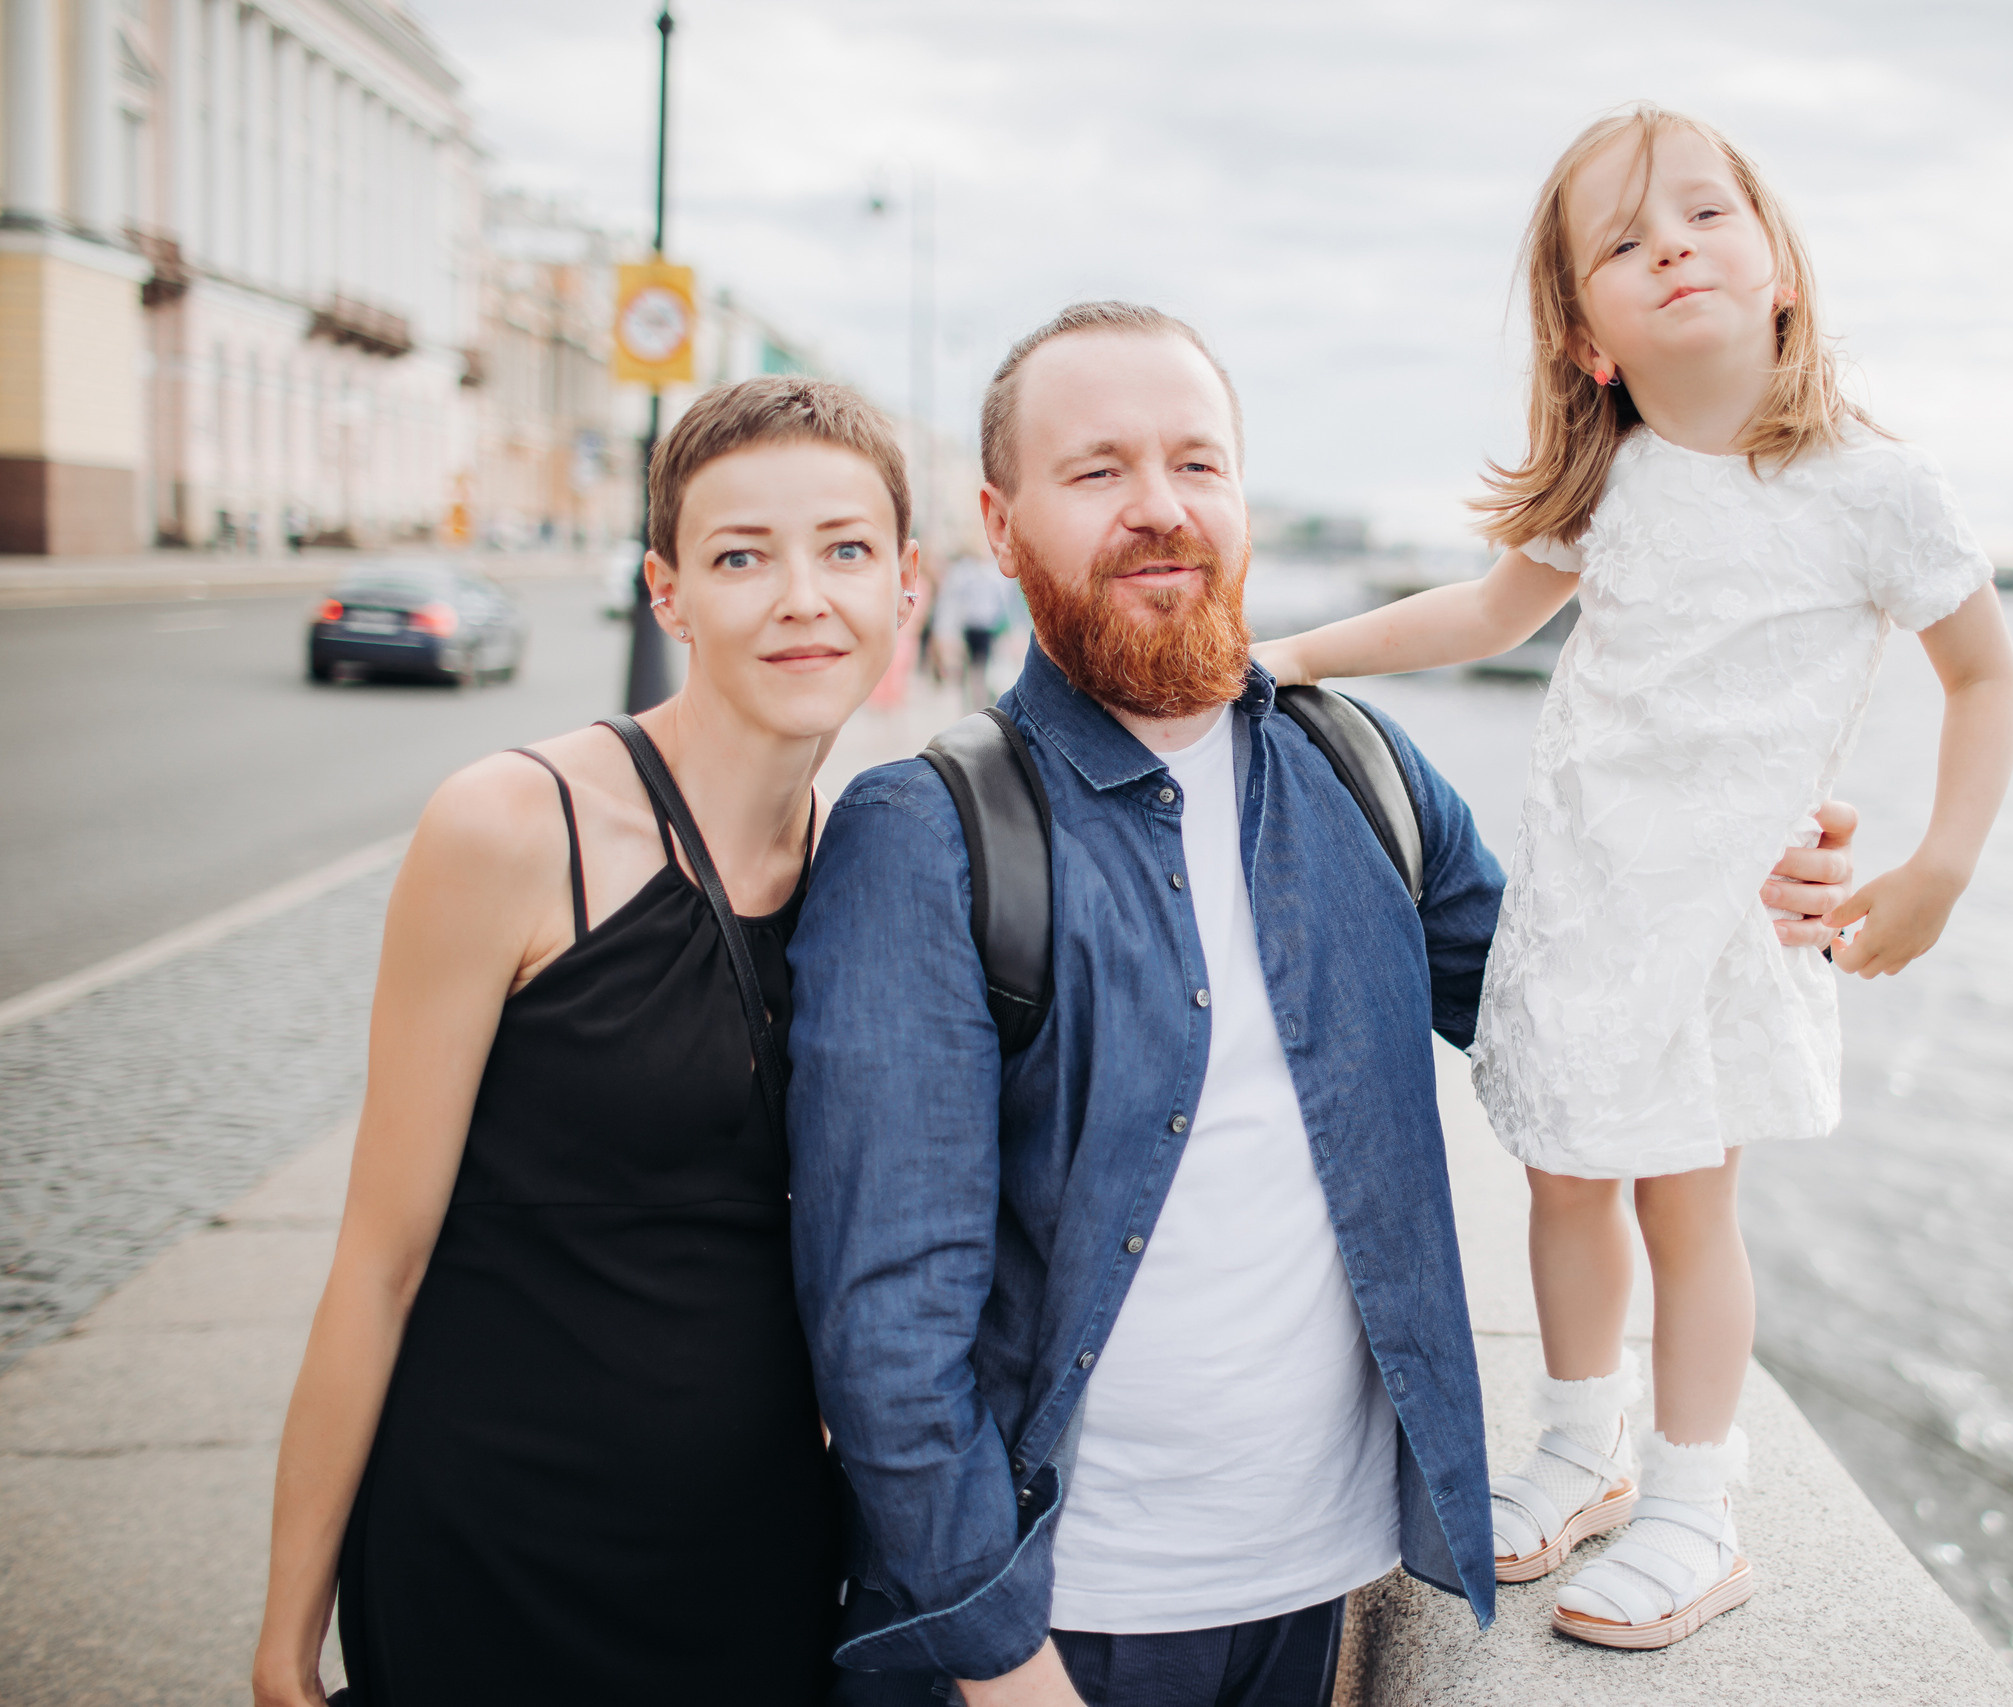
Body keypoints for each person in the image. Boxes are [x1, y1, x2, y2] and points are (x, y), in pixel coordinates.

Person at [786, 301, 1858, 1707]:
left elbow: (1581, 1011)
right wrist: (996, 1652)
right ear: (1003, 520)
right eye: (1098, 470)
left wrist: (1764, 893)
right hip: (1058, 1620)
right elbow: (883, 1317)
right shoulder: (926, 832)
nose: (1161, 507)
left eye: (1198, 463)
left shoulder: (1356, 766)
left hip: (1315, 1581)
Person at [1253, 106, 2013, 1650]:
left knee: (1689, 1198)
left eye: (1704, 214)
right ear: (1585, 333)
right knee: (1562, 1177)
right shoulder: (1611, 484)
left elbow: (1985, 678)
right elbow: (1480, 613)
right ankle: (1579, 1442)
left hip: (1723, 919)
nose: (1670, 242)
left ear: (1781, 267)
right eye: (1622, 239)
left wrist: (1940, 862)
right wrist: (1288, 656)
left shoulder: (1874, 484)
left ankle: (1693, 1500)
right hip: (1586, 903)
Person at [250, 377, 922, 1707]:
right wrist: (286, 1632)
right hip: (497, 1544)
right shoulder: (512, 826)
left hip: (756, 1559)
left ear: (909, 583)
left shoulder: (871, 857)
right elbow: (379, 1260)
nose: (802, 595)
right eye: (742, 555)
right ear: (667, 594)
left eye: (845, 549)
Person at [936, 551, 1012, 709]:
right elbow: (953, 603)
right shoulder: (963, 571)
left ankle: (982, 705)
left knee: (985, 671)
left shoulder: (997, 573)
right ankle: (972, 706)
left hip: (988, 629)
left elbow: (1004, 603)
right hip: (968, 627)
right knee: (968, 672)